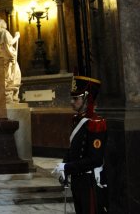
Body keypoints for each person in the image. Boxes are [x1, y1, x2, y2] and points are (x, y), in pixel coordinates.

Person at [53, 76, 108, 214]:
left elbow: (95, 159)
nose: (72, 102)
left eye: (76, 98)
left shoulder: (95, 123)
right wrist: (65, 168)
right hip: (78, 180)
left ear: (87, 99)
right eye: (72, 98)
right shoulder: (78, 120)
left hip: (89, 182)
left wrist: (68, 167)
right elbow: (73, 149)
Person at [0, 18, 21, 103]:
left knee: (4, 78)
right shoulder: (5, 32)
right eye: (4, 22)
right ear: (1, 24)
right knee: (15, 76)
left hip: (1, 60)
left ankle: (7, 97)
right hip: (8, 60)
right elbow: (10, 42)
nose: (5, 23)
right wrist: (17, 36)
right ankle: (11, 97)